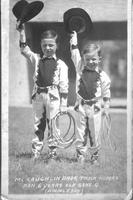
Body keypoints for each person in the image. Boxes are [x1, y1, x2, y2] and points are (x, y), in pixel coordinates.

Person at [16, 22, 69, 160]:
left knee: (53, 125)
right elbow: (24, 50)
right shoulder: (37, 58)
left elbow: (64, 86)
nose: (48, 48)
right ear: (40, 45)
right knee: (38, 124)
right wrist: (22, 32)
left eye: (51, 45)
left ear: (57, 45)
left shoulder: (61, 64)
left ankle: (52, 153)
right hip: (39, 96)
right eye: (44, 45)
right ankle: (36, 152)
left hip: (53, 98)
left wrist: (63, 104)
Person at [70, 31, 111, 165]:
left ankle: (94, 156)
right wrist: (74, 39)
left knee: (95, 132)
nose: (91, 62)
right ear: (83, 59)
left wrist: (106, 108)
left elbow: (106, 94)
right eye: (87, 59)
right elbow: (74, 52)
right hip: (81, 106)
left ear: (100, 59)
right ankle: (80, 155)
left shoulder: (103, 76)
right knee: (81, 132)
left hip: (95, 108)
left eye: (94, 59)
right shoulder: (80, 68)